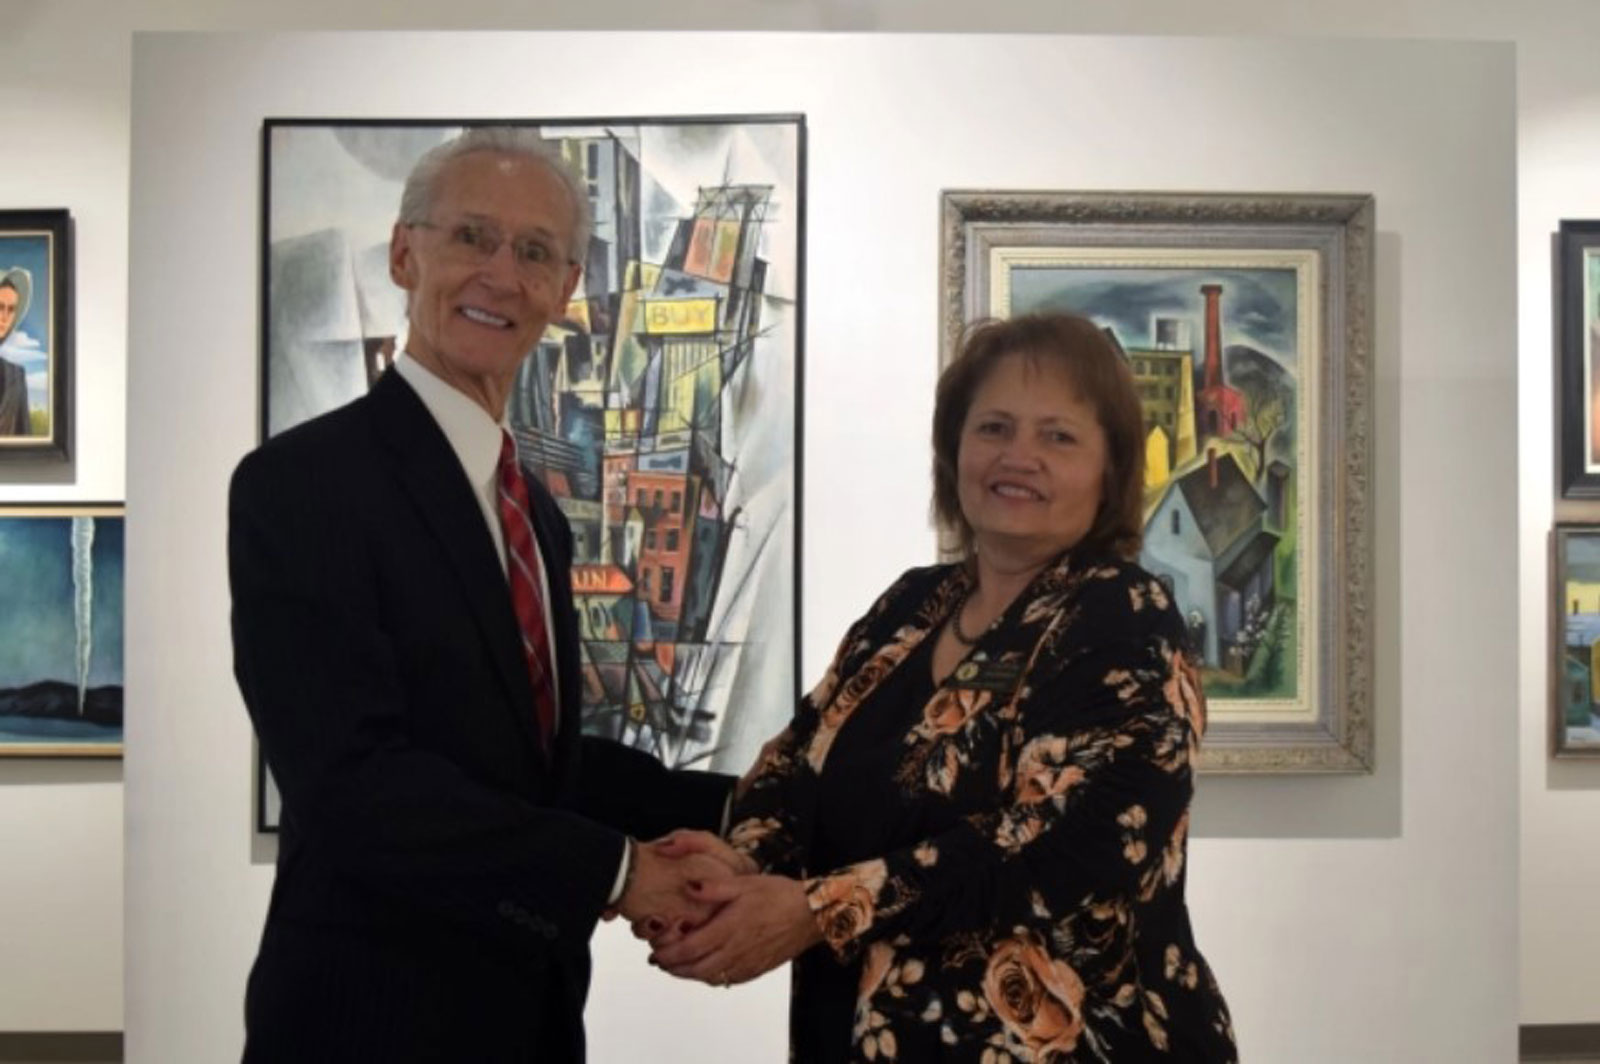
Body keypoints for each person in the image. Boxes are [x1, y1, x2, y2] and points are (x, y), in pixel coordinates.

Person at [228, 128, 735, 1063]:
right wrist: (621, 873)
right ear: (403, 253)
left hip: (526, 1015)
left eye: (536, 252)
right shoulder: (302, 484)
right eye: (472, 236)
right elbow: (353, 781)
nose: (502, 274)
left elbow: (530, 761)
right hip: (366, 1024)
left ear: (567, 288)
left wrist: (752, 810)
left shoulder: (532, 509)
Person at [649, 314, 1237, 1061]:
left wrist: (820, 907)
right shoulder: (910, 607)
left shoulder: (1123, 615)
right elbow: (796, 771)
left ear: (1111, 471)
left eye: (1058, 436)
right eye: (993, 426)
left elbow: (1073, 843)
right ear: (953, 448)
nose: (1017, 456)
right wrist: (731, 873)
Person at [0, 268, 33, 435]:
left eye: (11, 309)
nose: (5, 316)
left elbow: (25, 441)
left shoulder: (17, 375)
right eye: (0, 307)